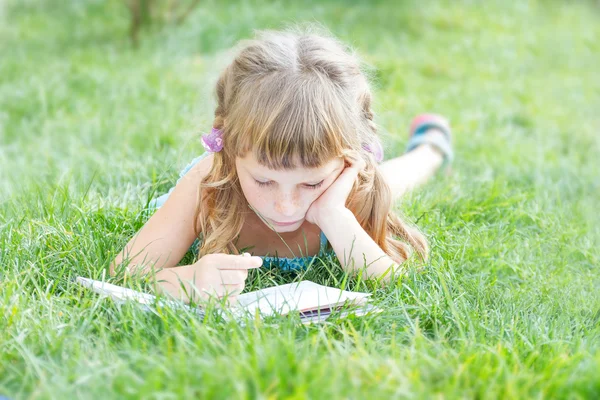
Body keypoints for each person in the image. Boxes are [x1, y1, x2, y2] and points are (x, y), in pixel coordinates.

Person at [110, 27, 453, 304]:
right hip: (225, 184)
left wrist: (334, 215)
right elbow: (125, 273)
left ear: (347, 162)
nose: (285, 206)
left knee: (398, 176)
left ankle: (431, 147)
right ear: (230, 153)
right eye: (263, 181)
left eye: (309, 184)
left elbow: (395, 285)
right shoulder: (209, 183)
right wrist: (189, 279)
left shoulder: (350, 186)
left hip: (352, 185)